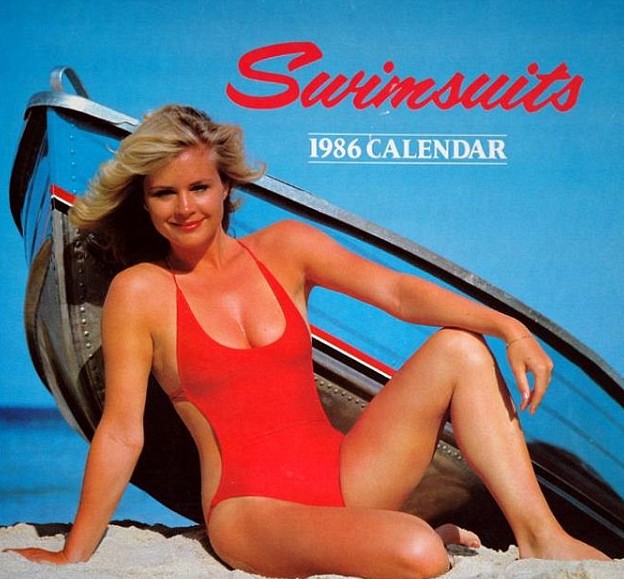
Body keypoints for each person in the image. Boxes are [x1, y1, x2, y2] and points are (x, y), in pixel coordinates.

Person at [7, 105, 609, 577]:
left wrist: (508, 327)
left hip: (346, 473)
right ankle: (396, 534)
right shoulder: (140, 292)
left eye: (199, 187)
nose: (185, 207)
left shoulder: (286, 249)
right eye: (164, 192)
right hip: (249, 509)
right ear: (143, 200)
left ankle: (541, 536)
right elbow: (122, 432)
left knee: (461, 349)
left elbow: (398, 293)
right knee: (421, 552)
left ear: (225, 186)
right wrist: (73, 554)